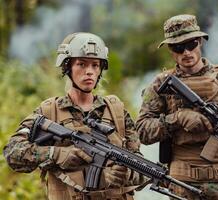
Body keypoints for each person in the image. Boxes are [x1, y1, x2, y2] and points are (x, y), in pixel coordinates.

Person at [3, 32, 144, 200]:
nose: (89, 72)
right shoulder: (49, 112)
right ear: (67, 67)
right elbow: (13, 153)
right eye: (81, 64)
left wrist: (124, 174)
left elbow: (140, 166)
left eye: (95, 65)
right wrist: (57, 154)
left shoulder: (117, 111)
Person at [136, 14, 218, 199]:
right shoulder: (161, 84)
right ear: (170, 49)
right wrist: (177, 119)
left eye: (191, 44)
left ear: (200, 42)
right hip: (183, 182)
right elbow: (143, 131)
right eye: (178, 47)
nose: (186, 52)